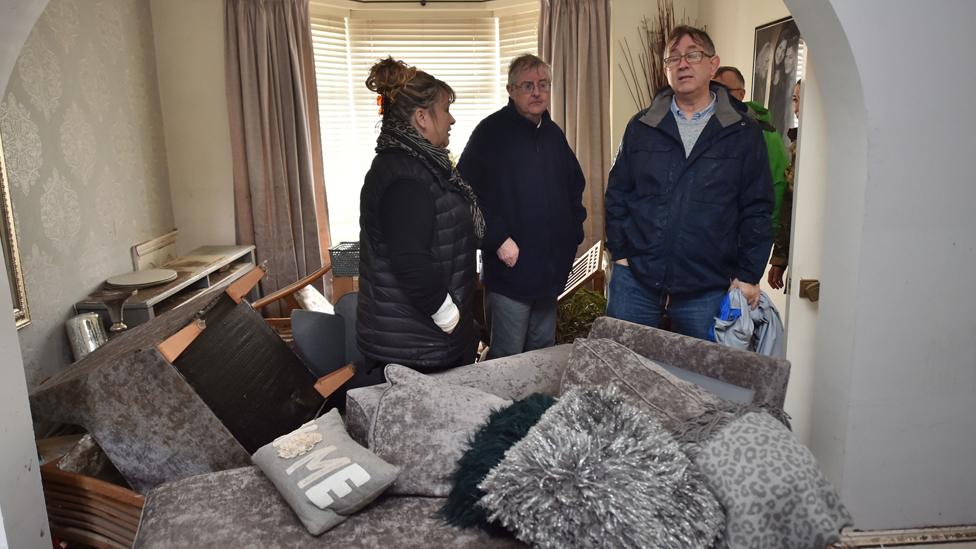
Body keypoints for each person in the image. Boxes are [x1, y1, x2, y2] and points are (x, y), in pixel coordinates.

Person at [604, 26, 773, 341]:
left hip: (708, 287)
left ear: (713, 64)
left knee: (701, 384)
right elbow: (617, 194)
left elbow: (757, 207)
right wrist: (620, 253)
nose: (683, 64)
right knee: (622, 375)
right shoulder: (641, 126)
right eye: (674, 57)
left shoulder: (742, 132)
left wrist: (749, 274)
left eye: (693, 54)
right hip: (636, 280)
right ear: (666, 69)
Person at [356, 57, 483, 375]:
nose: (452, 120)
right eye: (445, 110)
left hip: (428, 342)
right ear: (422, 117)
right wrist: (450, 319)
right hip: (417, 349)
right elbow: (410, 261)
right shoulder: (405, 176)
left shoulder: (424, 165)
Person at [458, 54, 586, 359]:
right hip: (509, 272)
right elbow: (463, 192)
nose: (537, 92)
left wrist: (573, 234)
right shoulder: (490, 133)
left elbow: (574, 187)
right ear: (510, 90)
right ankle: (503, 409)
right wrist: (497, 238)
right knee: (507, 357)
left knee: (541, 355)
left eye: (543, 84)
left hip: (549, 272)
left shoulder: (553, 134)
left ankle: (535, 409)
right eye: (528, 85)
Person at [714, 66, 790, 238]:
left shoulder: (764, 133)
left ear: (741, 94)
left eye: (725, 91)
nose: (718, 97)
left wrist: (761, 236)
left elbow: (777, 185)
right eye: (713, 90)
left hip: (743, 237)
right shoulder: (708, 129)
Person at [768, 80, 802, 290]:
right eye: (795, 100)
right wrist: (780, 258)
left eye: (801, 100)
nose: (796, 109)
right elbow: (788, 203)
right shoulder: (797, 145)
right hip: (796, 254)